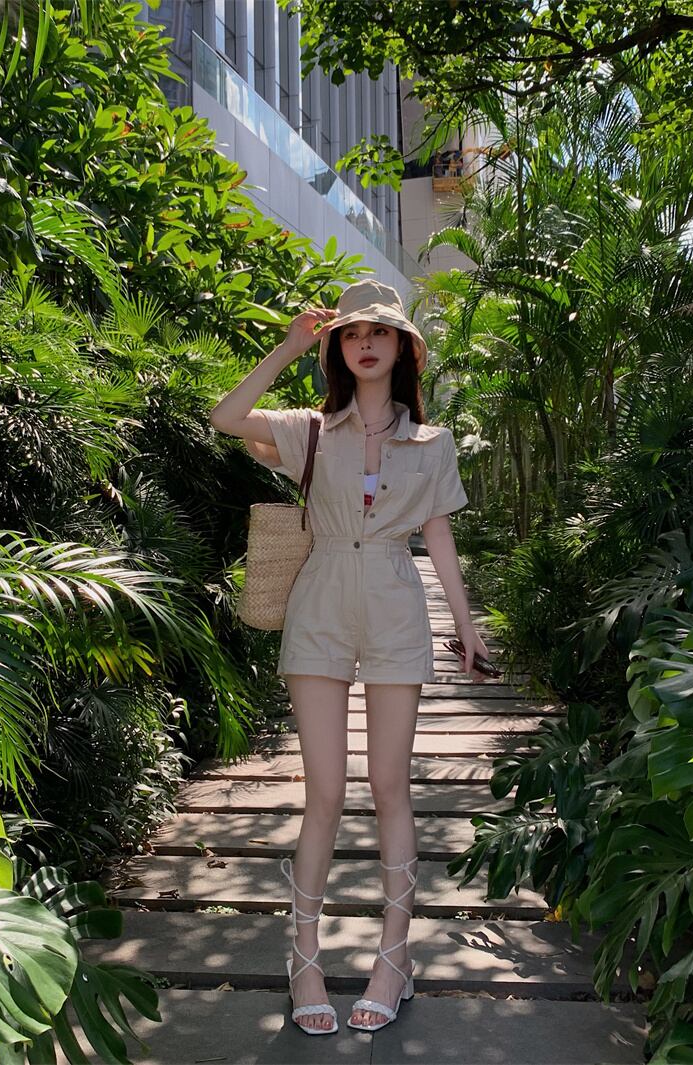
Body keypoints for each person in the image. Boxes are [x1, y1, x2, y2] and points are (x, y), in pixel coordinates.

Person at [208, 279, 490, 1035]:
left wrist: (467, 627)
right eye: (353, 333)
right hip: (321, 602)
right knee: (325, 793)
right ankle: (304, 959)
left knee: (391, 787)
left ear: (403, 349)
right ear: (338, 348)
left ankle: (393, 958)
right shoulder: (310, 429)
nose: (366, 343)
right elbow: (226, 417)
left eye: (380, 332)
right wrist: (289, 346)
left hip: (396, 602)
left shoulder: (432, 443)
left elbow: (439, 536)